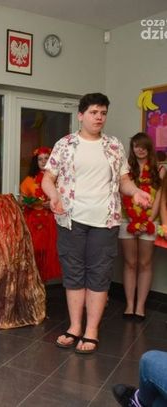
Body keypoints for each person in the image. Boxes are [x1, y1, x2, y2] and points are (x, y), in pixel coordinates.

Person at [41, 93, 151, 354]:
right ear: (81, 115)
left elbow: (124, 181)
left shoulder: (114, 146)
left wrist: (135, 191)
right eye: (93, 112)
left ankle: (91, 331)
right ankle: (74, 327)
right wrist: (54, 195)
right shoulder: (65, 144)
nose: (99, 117)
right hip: (70, 220)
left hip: (105, 221)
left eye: (103, 113)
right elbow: (48, 178)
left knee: (99, 275)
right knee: (74, 275)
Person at [119, 133, 165, 321]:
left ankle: (140, 307)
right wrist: (132, 220)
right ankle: (129, 305)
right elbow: (122, 194)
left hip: (150, 222)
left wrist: (146, 222)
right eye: (136, 145)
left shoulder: (159, 170)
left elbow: (159, 198)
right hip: (126, 220)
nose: (140, 149)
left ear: (149, 148)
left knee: (145, 263)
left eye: (143, 146)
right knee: (130, 263)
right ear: (132, 148)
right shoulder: (125, 170)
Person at [20, 147, 62, 282]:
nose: (43, 161)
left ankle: (43, 286)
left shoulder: (59, 179)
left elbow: (66, 197)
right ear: (35, 162)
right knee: (35, 252)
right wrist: (29, 202)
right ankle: (35, 286)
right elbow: (22, 200)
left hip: (51, 221)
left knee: (49, 254)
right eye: (40, 159)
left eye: (46, 158)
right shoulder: (29, 180)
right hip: (34, 221)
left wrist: (53, 202)